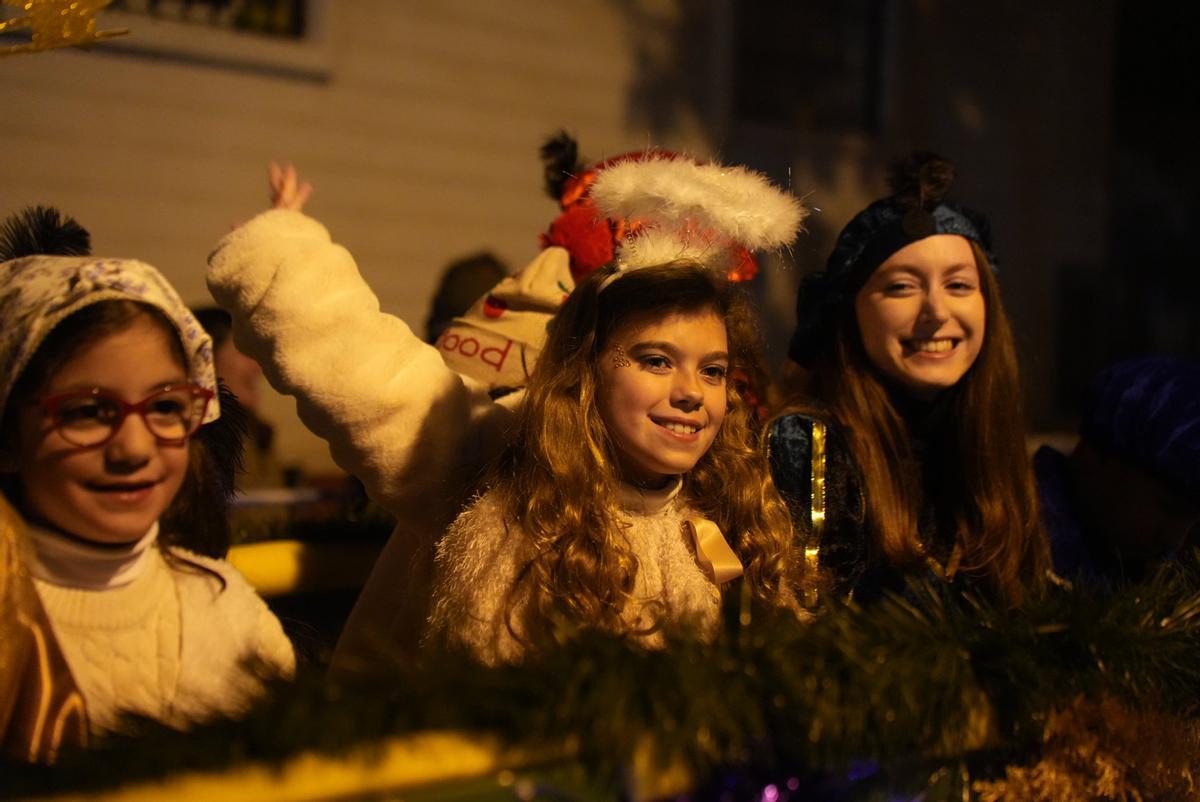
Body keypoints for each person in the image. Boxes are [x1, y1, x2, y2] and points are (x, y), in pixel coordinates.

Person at [208, 151, 809, 666]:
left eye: (712, 370)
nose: (690, 391)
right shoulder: (501, 470)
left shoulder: (726, 505)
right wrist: (282, 252)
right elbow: (374, 377)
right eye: (655, 360)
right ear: (584, 371)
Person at [0, 206, 294, 734]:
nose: (133, 448)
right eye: (86, 411)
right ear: (7, 435)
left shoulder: (226, 610)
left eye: (164, 407)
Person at [770, 153, 1049, 606]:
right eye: (901, 286)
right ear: (850, 311)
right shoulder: (809, 447)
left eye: (959, 285)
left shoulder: (992, 448)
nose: (936, 312)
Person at [1035, 357, 1200, 585]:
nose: (1174, 539)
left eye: (1192, 522)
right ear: (1101, 456)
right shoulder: (1011, 548)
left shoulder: (1145, 570)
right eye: (1167, 507)